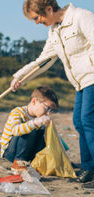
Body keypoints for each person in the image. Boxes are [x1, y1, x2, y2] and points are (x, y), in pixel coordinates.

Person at [11, 0, 94, 183]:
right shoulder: (54, 31)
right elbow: (43, 61)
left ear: (49, 9)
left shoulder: (81, 16)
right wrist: (20, 77)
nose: (36, 22)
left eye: (37, 17)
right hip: (79, 83)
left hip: (92, 77)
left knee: (88, 120)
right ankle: (89, 169)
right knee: (79, 122)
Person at [0, 87, 58, 173]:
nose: (48, 113)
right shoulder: (17, 112)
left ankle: (34, 162)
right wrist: (34, 123)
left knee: (43, 131)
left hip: (28, 151)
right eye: (46, 108)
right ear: (34, 101)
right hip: (11, 152)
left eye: (51, 110)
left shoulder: (39, 117)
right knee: (29, 129)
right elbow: (15, 130)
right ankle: (18, 164)